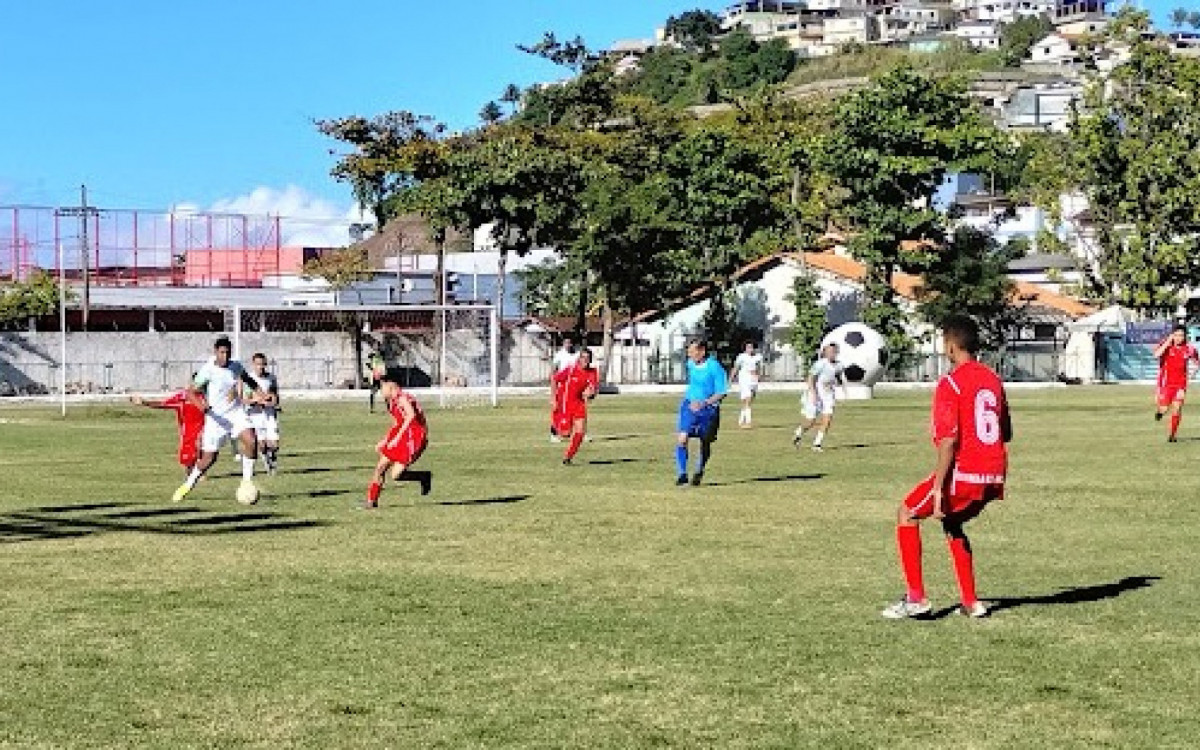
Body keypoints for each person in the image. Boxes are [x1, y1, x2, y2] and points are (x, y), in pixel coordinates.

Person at [882, 316, 1012, 620]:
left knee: (907, 512)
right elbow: (1006, 432)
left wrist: (939, 488)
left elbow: (948, 442)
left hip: (964, 473)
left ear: (951, 347)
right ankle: (971, 602)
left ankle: (916, 598)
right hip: (994, 475)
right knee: (952, 523)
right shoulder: (993, 380)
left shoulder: (951, 383)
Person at [172, 337, 268, 504]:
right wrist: (201, 405)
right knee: (208, 459)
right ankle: (186, 486)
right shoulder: (208, 370)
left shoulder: (235, 366)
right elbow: (190, 392)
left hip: (236, 413)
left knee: (251, 440)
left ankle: (246, 481)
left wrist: (262, 394)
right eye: (222, 352)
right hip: (216, 418)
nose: (225, 356)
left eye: (227, 352)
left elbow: (248, 380)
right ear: (215, 352)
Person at [367, 370, 432, 509]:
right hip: (402, 435)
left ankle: (423, 477)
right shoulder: (391, 402)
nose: (381, 392)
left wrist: (397, 438)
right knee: (380, 468)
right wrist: (385, 440)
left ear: (390, 386)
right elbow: (397, 423)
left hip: (414, 437)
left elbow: (411, 416)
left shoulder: (402, 398)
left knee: (396, 475)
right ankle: (371, 501)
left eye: (382, 388)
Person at [675, 338, 729, 487]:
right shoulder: (691, 364)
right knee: (682, 438)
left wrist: (704, 403)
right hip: (689, 406)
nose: (689, 354)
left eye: (692, 351)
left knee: (705, 442)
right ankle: (682, 474)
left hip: (708, 410)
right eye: (689, 351)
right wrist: (693, 401)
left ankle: (699, 470)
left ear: (702, 351)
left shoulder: (714, 368)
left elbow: (722, 392)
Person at [130, 379, 205, 477]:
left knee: (204, 451)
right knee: (189, 457)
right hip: (188, 433)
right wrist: (144, 402)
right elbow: (163, 404)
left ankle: (200, 472)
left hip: (206, 430)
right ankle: (191, 473)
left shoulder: (208, 396)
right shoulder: (182, 397)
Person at [552, 348, 600, 465]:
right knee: (565, 434)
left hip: (579, 404)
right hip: (565, 404)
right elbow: (555, 379)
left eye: (587, 358)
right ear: (579, 359)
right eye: (583, 358)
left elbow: (593, 389)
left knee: (580, 431)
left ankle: (568, 457)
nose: (585, 360)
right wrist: (553, 398)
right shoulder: (570, 370)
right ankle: (555, 425)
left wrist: (591, 394)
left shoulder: (592, 372)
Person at [1152, 324, 1198, 442]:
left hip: (1180, 384)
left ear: (1185, 336)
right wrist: (1168, 342)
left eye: (1181, 335)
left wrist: (1192, 373)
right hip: (1166, 383)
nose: (1179, 338)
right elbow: (1156, 355)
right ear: (1172, 335)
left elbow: (1197, 362)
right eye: (1176, 335)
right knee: (1164, 408)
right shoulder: (1166, 345)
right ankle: (1160, 412)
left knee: (1177, 408)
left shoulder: (1189, 348)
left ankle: (1172, 435)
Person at [793, 343, 843, 452]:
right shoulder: (820, 364)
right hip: (815, 394)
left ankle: (817, 444)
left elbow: (838, 376)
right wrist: (814, 393)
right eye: (829, 352)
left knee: (827, 419)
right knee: (810, 422)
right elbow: (810, 378)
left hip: (829, 395)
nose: (831, 354)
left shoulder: (839, 365)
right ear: (825, 353)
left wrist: (840, 384)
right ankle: (799, 432)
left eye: (833, 352)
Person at [245, 353, 281, 474]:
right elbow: (245, 399)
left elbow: (275, 395)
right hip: (255, 415)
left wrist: (273, 401)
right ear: (253, 365)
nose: (260, 367)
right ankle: (266, 459)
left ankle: (271, 459)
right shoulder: (249, 379)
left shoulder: (271, 378)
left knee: (275, 444)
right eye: (258, 364)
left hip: (269, 414)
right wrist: (256, 401)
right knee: (261, 444)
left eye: (263, 364)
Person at [549, 336, 579, 442]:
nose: (568, 345)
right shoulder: (559, 355)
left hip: (574, 386)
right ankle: (553, 434)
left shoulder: (577, 354)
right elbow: (553, 371)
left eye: (569, 342)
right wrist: (553, 390)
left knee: (577, 410)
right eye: (565, 343)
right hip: (562, 386)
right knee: (558, 411)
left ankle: (579, 433)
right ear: (563, 344)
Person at [730, 341, 764, 428]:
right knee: (747, 399)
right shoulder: (741, 357)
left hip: (753, 379)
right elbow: (736, 367)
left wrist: (759, 375)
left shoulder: (758, 357)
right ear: (745, 348)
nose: (750, 349)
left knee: (749, 400)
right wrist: (731, 378)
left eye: (751, 347)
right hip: (744, 378)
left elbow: (759, 367)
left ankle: (741, 420)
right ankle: (748, 422)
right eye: (748, 347)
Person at [365, 347, 386, 414]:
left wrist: (369, 366)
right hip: (377, 377)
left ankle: (372, 408)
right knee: (375, 392)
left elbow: (375, 368)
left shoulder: (377, 359)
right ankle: (372, 408)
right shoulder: (378, 359)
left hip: (377, 377)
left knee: (376, 393)